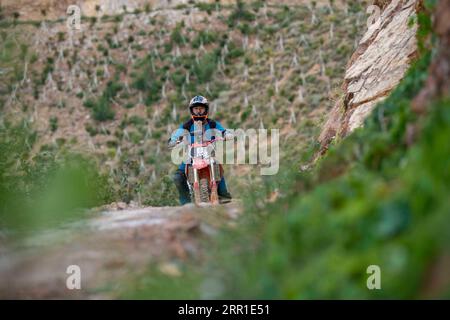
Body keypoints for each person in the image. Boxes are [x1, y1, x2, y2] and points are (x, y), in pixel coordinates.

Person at [168, 95, 232, 205]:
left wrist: (227, 134)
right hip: (191, 155)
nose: (198, 112)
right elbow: (176, 135)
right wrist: (173, 140)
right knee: (178, 177)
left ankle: (222, 193)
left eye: (201, 109)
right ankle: (185, 202)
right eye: (196, 109)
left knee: (217, 166)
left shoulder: (212, 124)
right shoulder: (187, 126)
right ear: (191, 110)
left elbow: (223, 131)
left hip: (209, 153)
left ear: (206, 109)